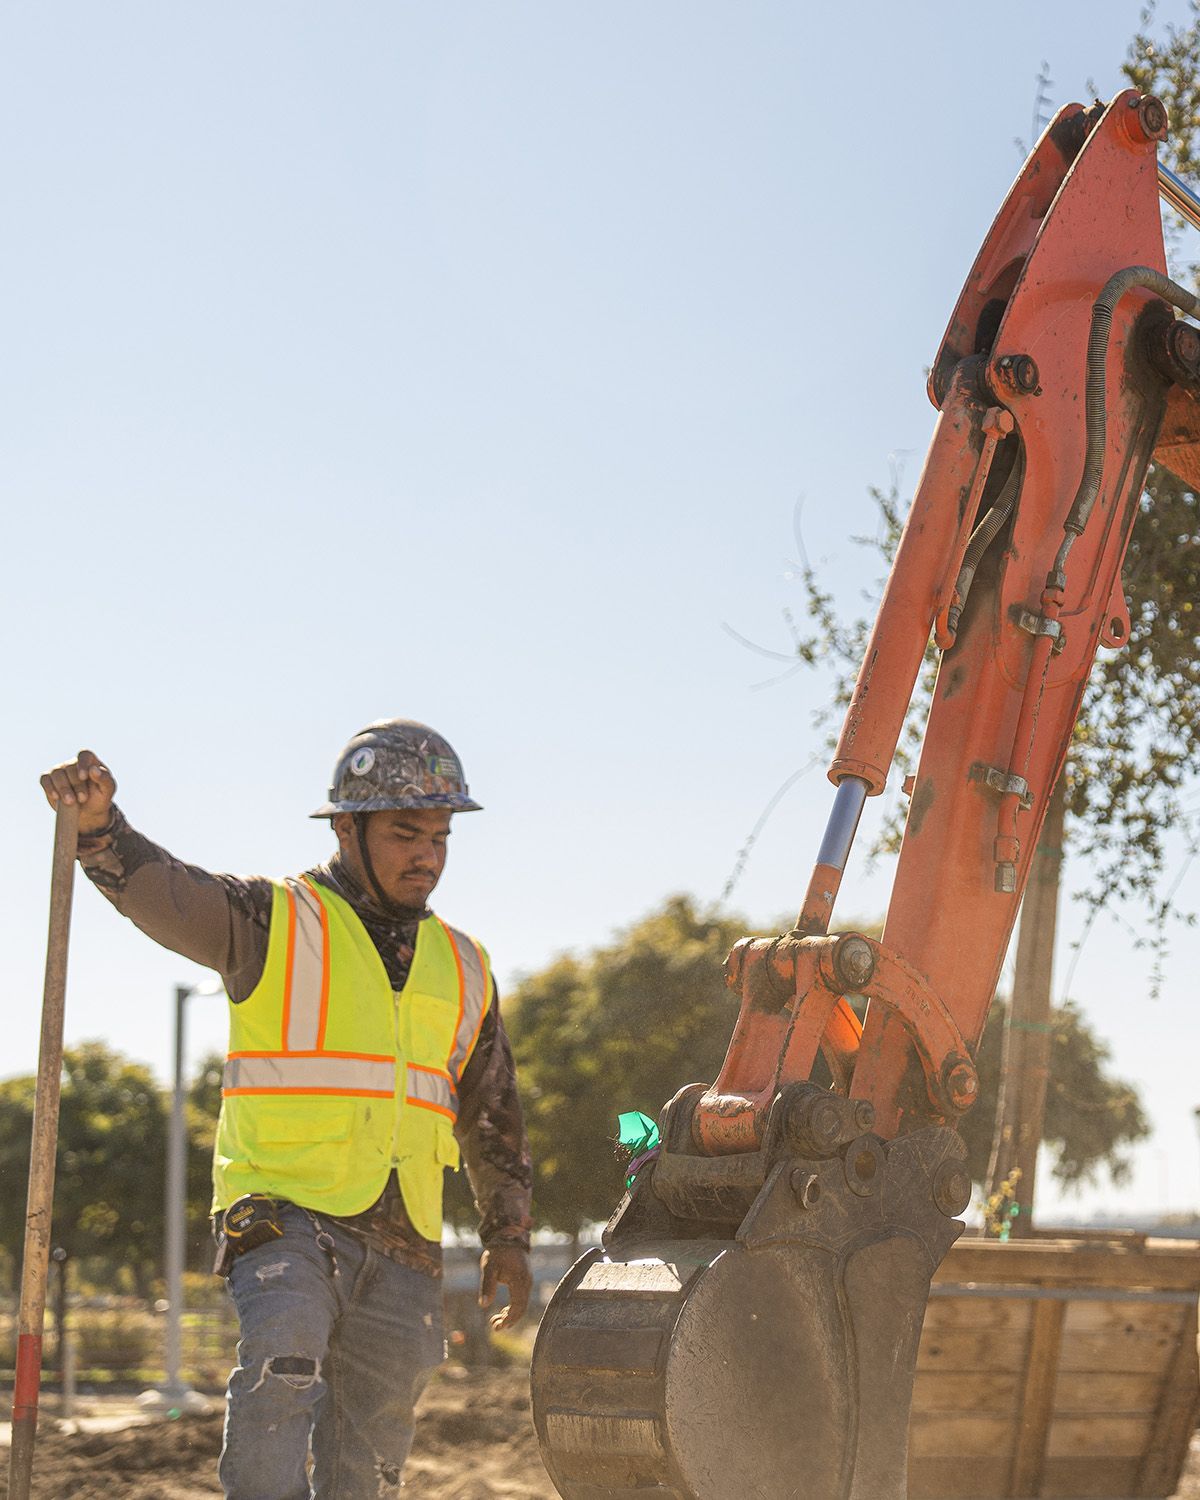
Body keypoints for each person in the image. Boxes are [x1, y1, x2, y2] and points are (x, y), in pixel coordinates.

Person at [40, 720, 533, 1499]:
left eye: (440, 836)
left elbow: (492, 1110)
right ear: (347, 828)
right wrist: (102, 829)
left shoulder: (466, 964)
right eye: (407, 833)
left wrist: (508, 1232)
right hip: (283, 1211)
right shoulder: (273, 920)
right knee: (284, 1358)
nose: (428, 855)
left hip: (404, 1237)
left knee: (371, 1454)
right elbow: (170, 894)